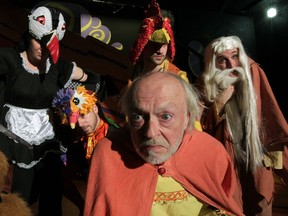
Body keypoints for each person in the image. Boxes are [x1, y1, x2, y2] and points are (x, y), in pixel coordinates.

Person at [84, 71, 244, 216]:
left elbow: (225, 205)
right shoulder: (109, 154)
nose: (150, 133)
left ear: (187, 118)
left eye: (165, 117)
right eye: (138, 117)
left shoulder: (211, 152)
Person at [0, 6, 103, 216]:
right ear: (29, 36)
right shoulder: (9, 59)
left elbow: (91, 78)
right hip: (15, 139)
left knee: (51, 194)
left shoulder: (57, 66)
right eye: (39, 41)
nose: (43, 48)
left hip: (47, 139)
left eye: (49, 44)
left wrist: (84, 102)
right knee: (21, 198)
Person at [195, 35, 288, 215]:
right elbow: (198, 129)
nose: (231, 65)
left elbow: (270, 114)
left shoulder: (253, 72)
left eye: (235, 56)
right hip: (225, 161)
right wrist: (219, 104)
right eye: (223, 60)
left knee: (260, 201)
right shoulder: (204, 84)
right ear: (213, 64)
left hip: (256, 157)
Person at [52, 85, 120, 179]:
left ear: (95, 109)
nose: (80, 123)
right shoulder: (77, 135)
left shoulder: (116, 138)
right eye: (76, 119)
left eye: (83, 115)